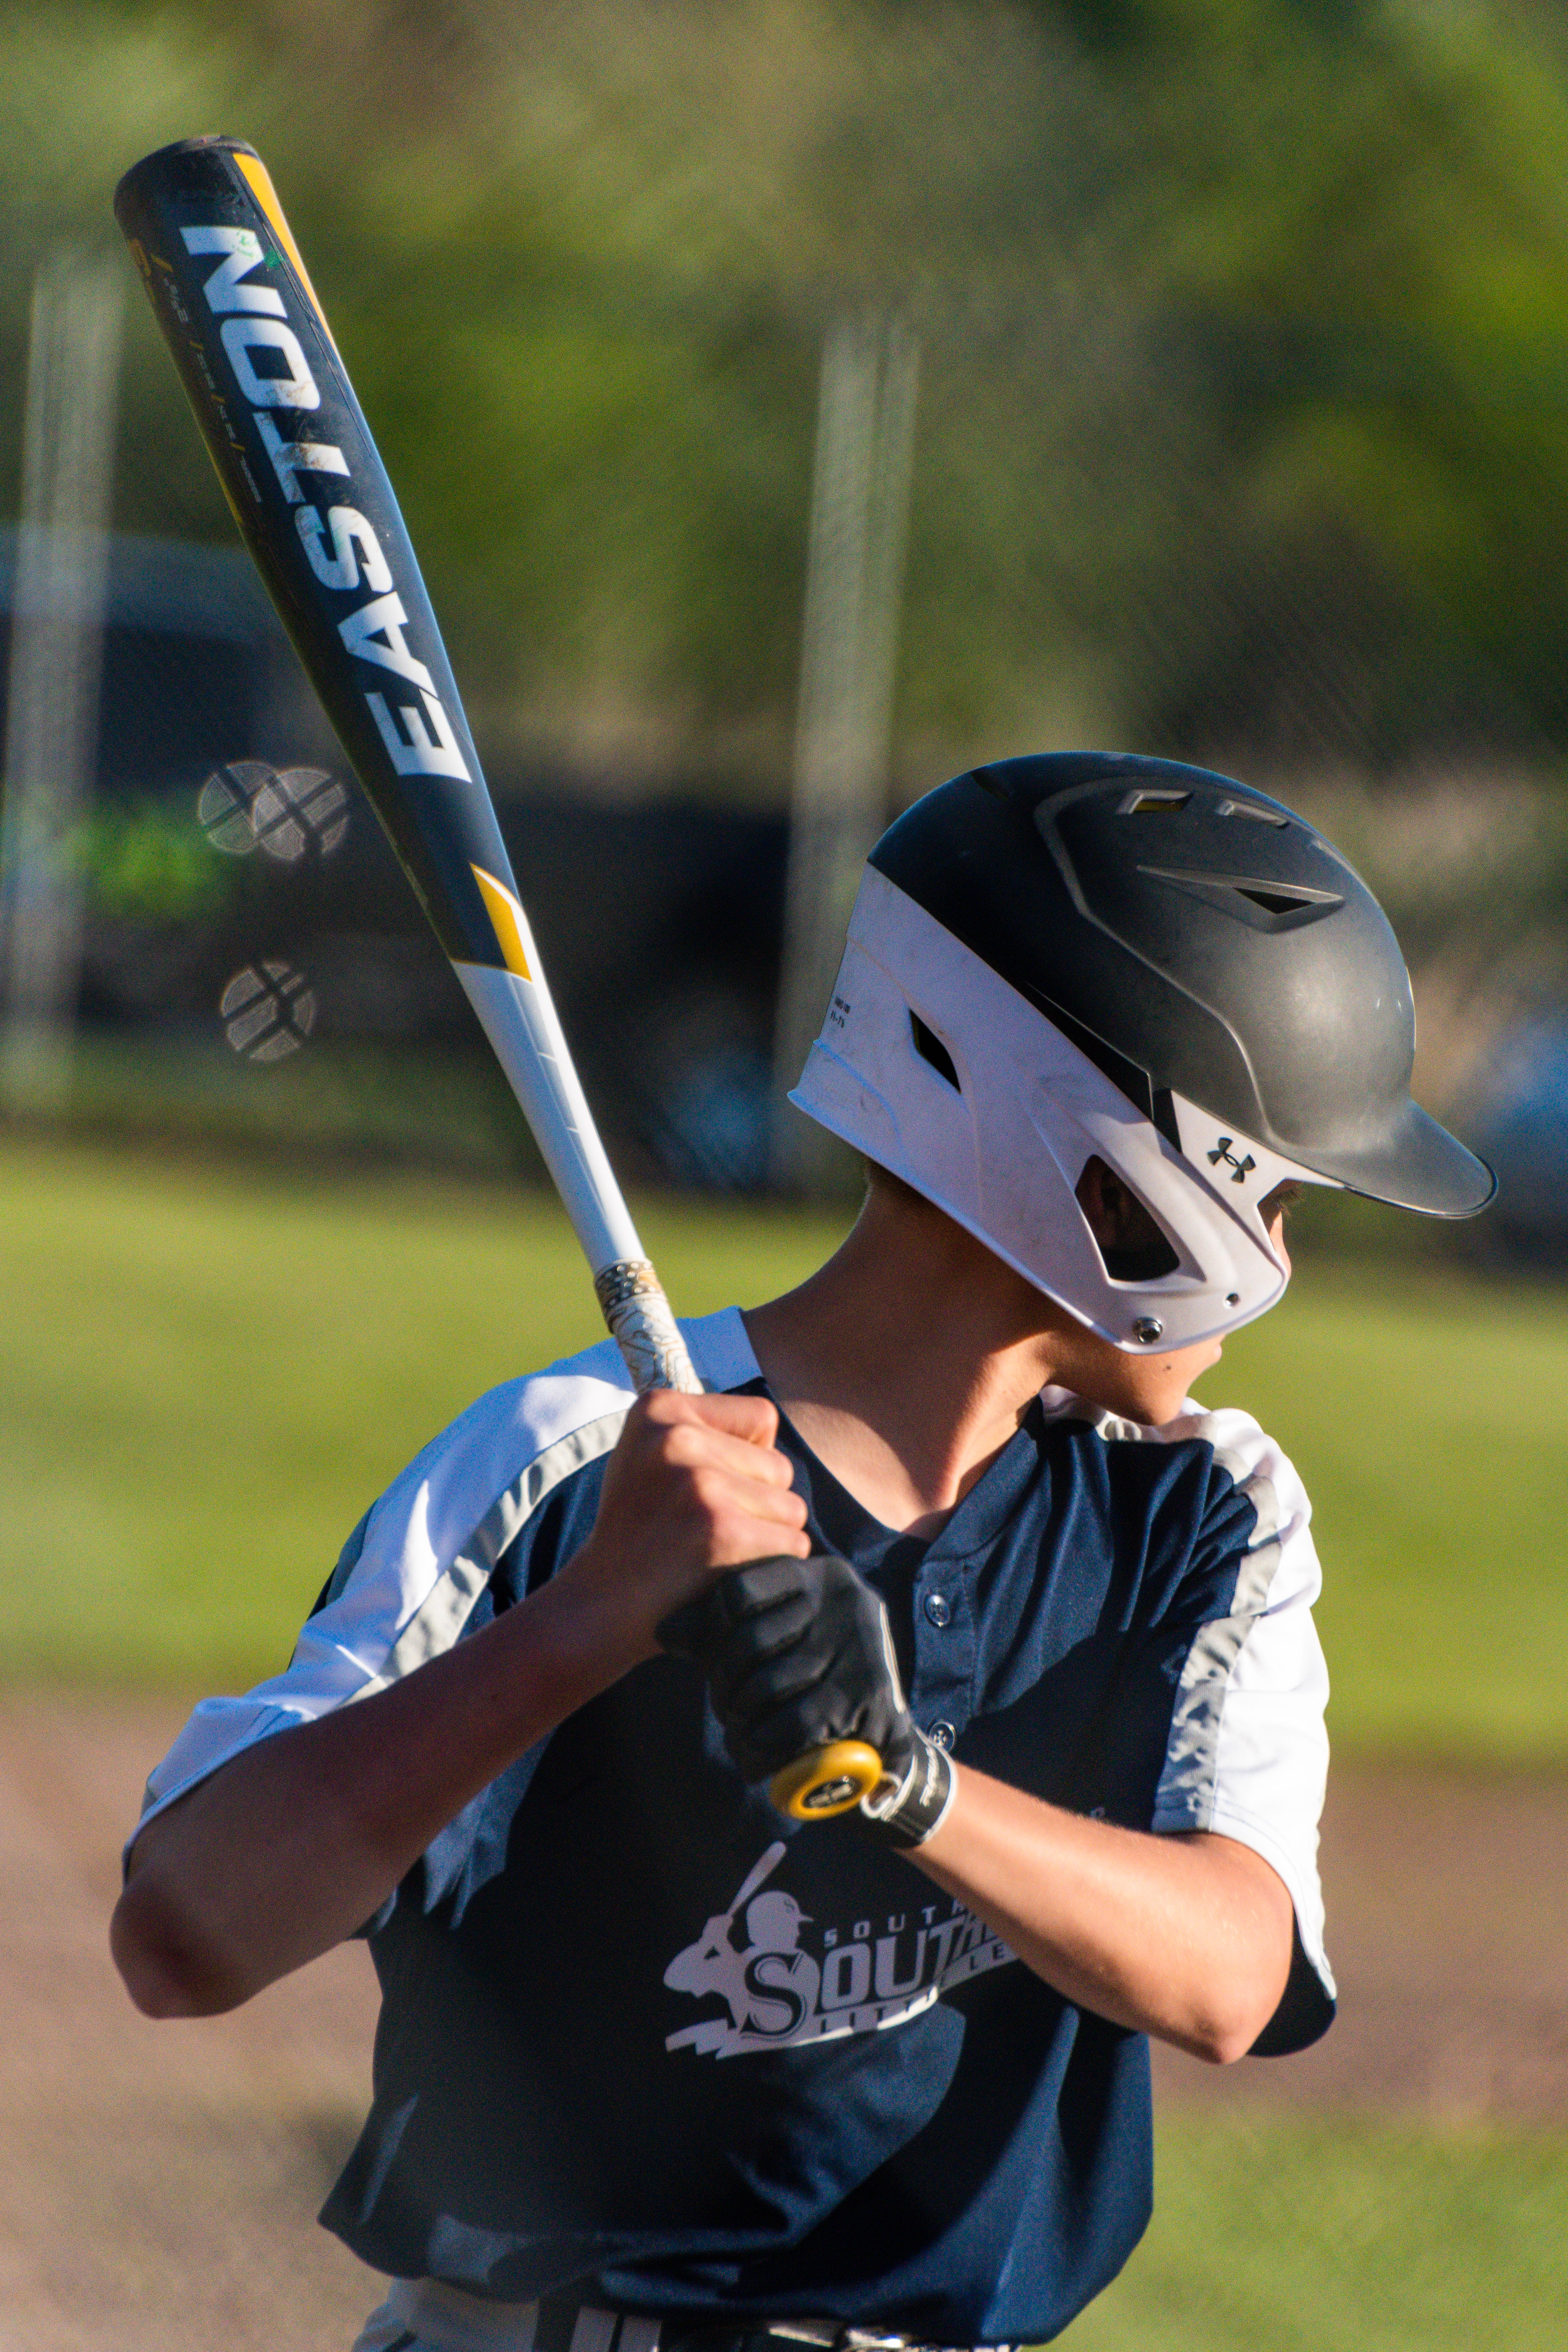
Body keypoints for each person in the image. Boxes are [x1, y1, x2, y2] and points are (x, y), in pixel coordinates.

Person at [111, 753, 1493, 2352]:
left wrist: (905, 1783)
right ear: (1117, 1175)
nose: (1277, 1258)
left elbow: (1225, 1972)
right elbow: (184, 1932)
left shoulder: (1199, 1510)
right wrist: (584, 1623)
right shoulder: (581, 1458)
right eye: (1271, 1196)